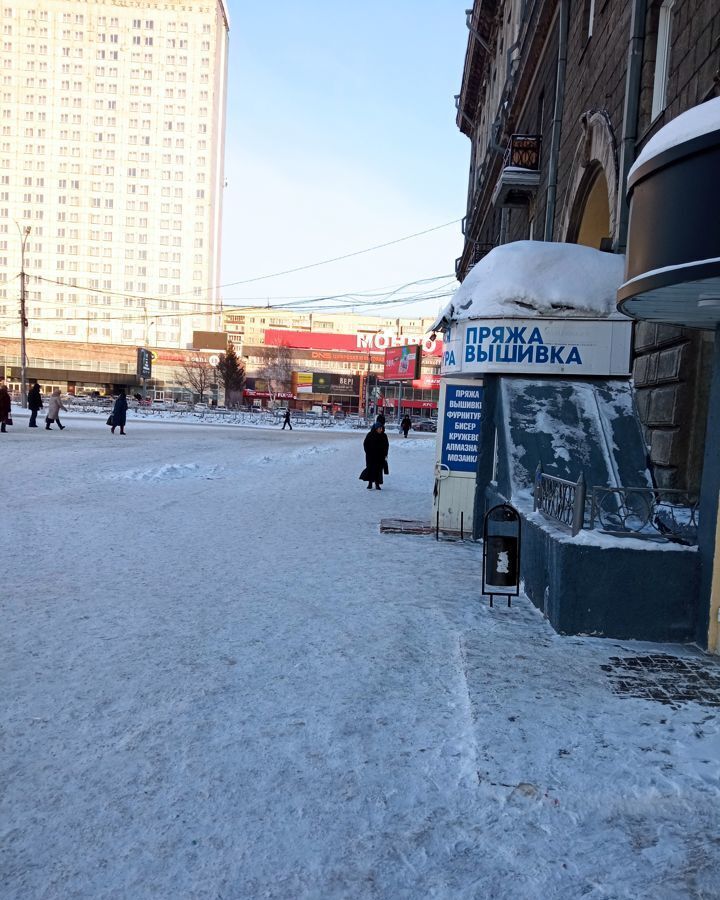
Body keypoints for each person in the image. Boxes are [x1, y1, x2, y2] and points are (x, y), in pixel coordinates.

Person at [360, 422, 389, 490]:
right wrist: (368, 452)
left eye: (381, 428)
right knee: (370, 469)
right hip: (371, 456)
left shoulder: (384, 436)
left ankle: (377, 484)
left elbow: (386, 446)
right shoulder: (370, 434)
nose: (381, 430)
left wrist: (385, 454)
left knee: (378, 471)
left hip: (380, 457)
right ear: (376, 428)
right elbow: (365, 444)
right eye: (379, 428)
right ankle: (370, 484)